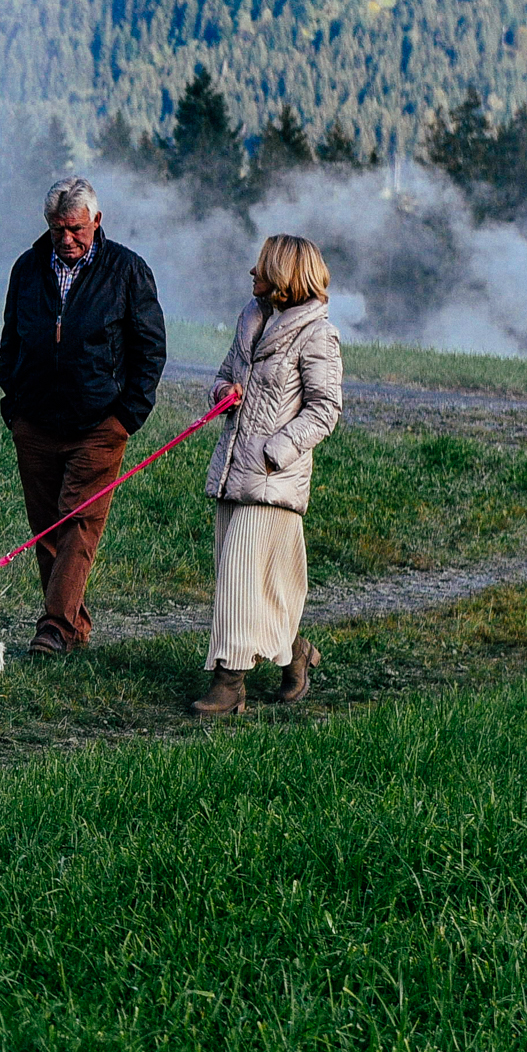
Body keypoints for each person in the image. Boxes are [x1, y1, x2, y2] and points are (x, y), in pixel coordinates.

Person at [0, 175, 168, 656]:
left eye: (75, 229)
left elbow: (150, 348)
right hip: (33, 421)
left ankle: (52, 626)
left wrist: (126, 416)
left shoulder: (127, 271)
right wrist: (13, 403)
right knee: (47, 526)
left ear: (97, 220)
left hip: (99, 425)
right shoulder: (27, 268)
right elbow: (10, 337)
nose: (66, 240)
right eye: (56, 229)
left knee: (78, 521)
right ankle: (73, 625)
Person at [191, 234, 344, 716]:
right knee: (257, 583)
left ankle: (229, 682)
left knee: (240, 573)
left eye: (260, 266)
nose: (250, 274)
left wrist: (277, 449)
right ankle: (296, 651)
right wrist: (222, 392)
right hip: (234, 471)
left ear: (282, 276)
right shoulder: (250, 319)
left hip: (273, 479)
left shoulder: (317, 334)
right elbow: (223, 374)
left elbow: (325, 409)